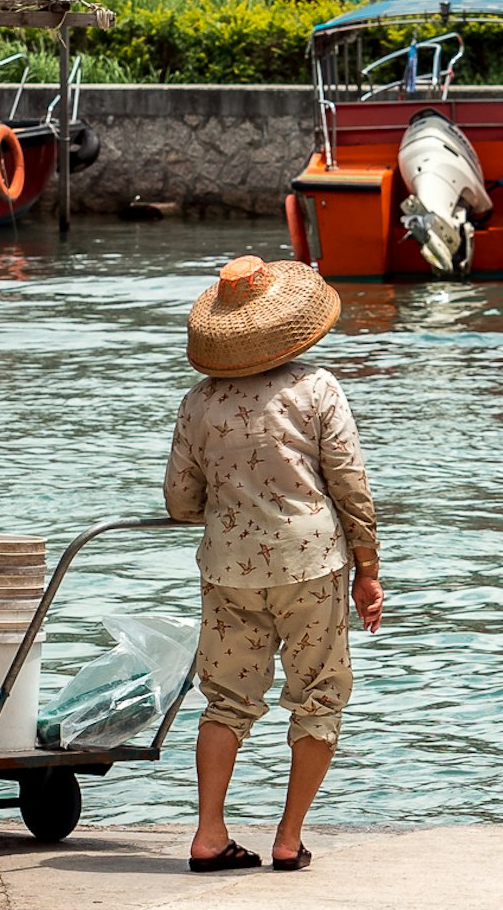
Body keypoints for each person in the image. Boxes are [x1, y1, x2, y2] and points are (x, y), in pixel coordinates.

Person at [163, 255, 382, 873]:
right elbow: (350, 486)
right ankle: (288, 838)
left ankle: (209, 833)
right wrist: (368, 570)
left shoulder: (198, 403)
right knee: (318, 699)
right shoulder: (316, 389)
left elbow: (180, 501)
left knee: (226, 702)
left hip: (229, 569)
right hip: (312, 565)